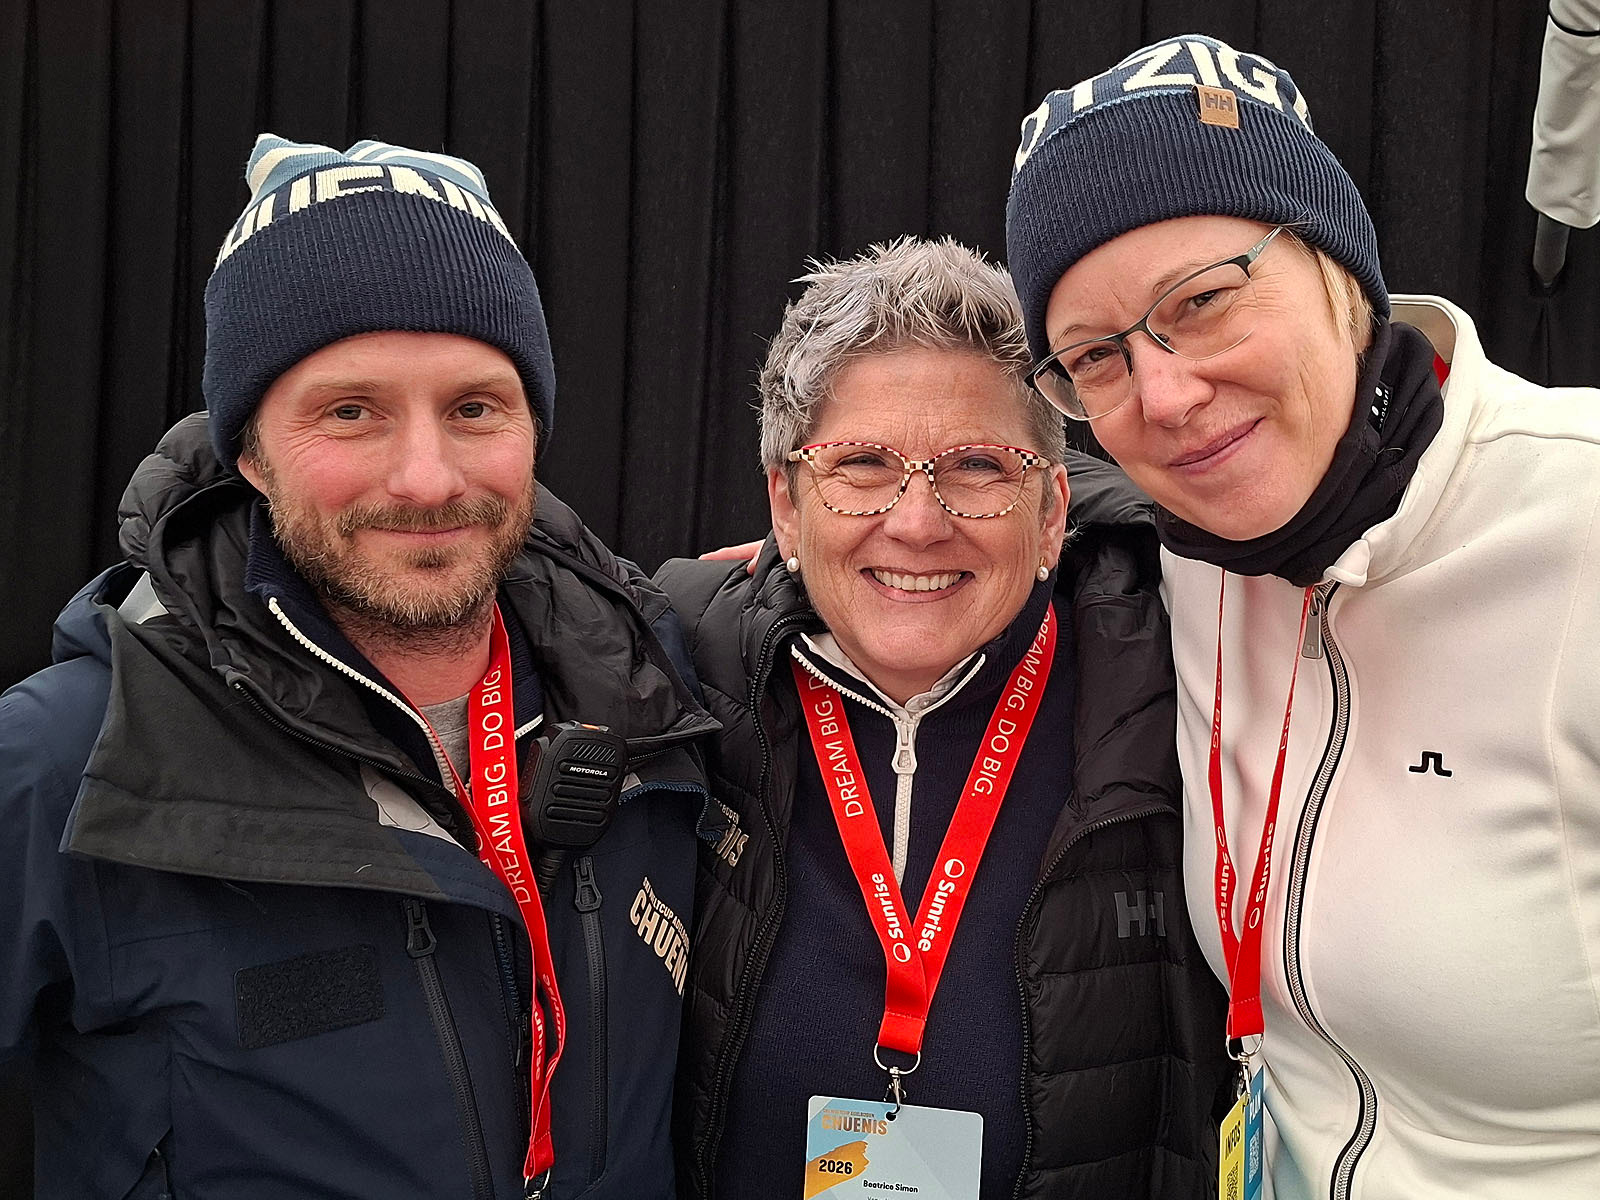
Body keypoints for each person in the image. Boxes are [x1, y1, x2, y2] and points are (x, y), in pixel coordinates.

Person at [0, 135, 718, 1199]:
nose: (427, 478)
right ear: (249, 451)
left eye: (474, 408)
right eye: (350, 411)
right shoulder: (70, 757)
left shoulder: (655, 700)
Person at [1004, 34, 1600, 1199]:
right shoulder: (1196, 543)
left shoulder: (1577, 526)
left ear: (1338, 270)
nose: (1165, 396)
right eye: (1095, 359)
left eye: (1203, 302)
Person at [658, 238, 1231, 1200]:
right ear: (786, 506)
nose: (918, 522)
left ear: (1051, 510)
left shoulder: (1182, 675)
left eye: (976, 466)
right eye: (861, 464)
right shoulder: (679, 668)